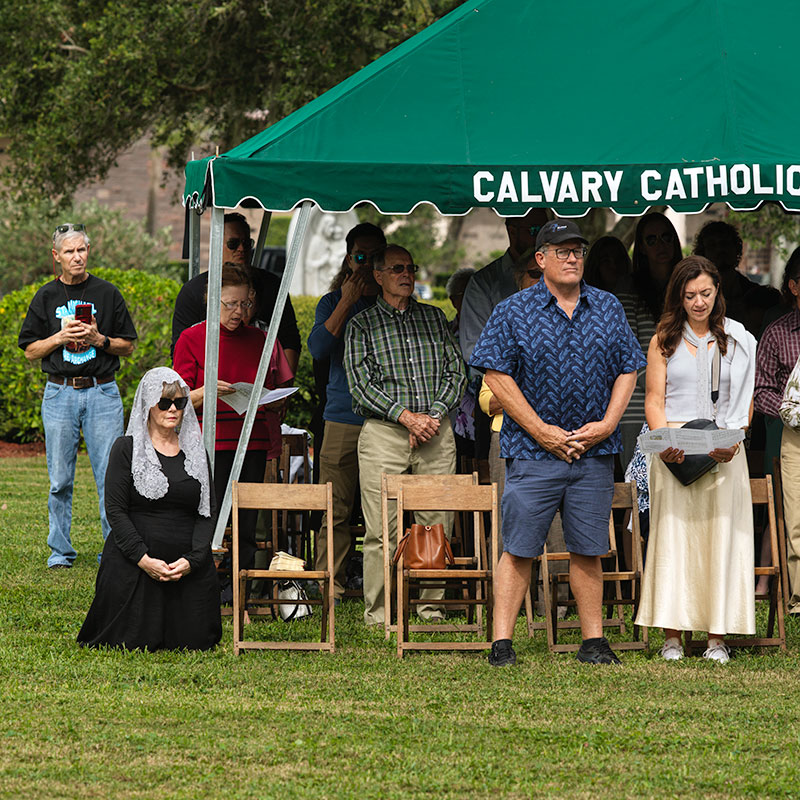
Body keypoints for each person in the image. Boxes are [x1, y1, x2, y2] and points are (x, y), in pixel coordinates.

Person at [471, 219, 645, 667]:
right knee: (519, 546)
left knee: (589, 547)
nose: (572, 258)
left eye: (578, 251)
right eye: (562, 251)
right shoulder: (513, 310)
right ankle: (501, 644)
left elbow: (630, 366)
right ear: (540, 258)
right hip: (532, 453)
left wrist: (608, 424)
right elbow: (494, 374)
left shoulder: (606, 307)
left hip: (592, 451)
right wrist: (540, 431)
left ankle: (592, 642)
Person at [635, 256, 757, 664]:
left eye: (705, 293)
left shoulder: (735, 338)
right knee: (674, 539)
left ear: (717, 292)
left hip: (725, 447)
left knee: (721, 539)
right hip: (675, 447)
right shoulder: (663, 338)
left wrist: (736, 439)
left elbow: (746, 401)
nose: (699, 302)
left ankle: (717, 639)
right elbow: (653, 399)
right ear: (678, 296)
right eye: (690, 296)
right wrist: (665, 441)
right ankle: (672, 637)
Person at [344, 244, 467, 626]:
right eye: (397, 269)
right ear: (378, 276)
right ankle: (380, 613)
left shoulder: (434, 318)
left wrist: (431, 416)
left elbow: (457, 373)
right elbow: (361, 387)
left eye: (411, 268)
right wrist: (407, 418)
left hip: (435, 429)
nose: (407, 274)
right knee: (382, 527)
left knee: (435, 524)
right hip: (385, 434)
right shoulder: (361, 325)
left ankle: (428, 609)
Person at [19, 222, 137, 569]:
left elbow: (128, 347)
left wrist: (99, 339)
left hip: (102, 392)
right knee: (60, 479)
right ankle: (60, 551)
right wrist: (59, 337)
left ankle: (113, 549)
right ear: (56, 257)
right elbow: (29, 350)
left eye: (82, 249)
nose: (77, 257)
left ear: (89, 252)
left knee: (110, 477)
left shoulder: (108, 293)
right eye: (69, 251)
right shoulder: (45, 296)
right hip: (60, 393)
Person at [77, 368, 221, 650]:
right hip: (135, 560)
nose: (172, 409)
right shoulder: (125, 449)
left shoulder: (195, 452)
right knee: (129, 638)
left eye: (179, 403)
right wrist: (144, 559)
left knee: (197, 640)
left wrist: (193, 560)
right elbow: (115, 511)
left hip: (185, 564)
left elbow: (207, 512)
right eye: (163, 403)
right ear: (148, 405)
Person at [173, 265, 294, 575]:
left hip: (250, 442)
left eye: (245, 304)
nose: (239, 312)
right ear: (213, 301)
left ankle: (240, 594)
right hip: (207, 443)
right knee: (206, 521)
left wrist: (272, 398)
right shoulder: (192, 338)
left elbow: (279, 390)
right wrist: (208, 391)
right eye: (231, 304)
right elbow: (177, 401)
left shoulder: (260, 339)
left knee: (246, 524)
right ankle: (203, 587)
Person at [307, 222, 386, 602]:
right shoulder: (331, 301)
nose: (367, 266)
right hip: (342, 416)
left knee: (384, 513)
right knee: (335, 510)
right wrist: (345, 300)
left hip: (387, 420)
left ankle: (383, 587)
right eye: (360, 257)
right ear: (348, 257)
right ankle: (330, 589)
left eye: (375, 259)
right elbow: (319, 349)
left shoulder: (394, 303)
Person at [171, 212, 301, 372]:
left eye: (247, 243)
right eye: (233, 243)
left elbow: (289, 339)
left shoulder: (272, 285)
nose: (241, 249)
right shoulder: (193, 291)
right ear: (217, 245)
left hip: (261, 381)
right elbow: (179, 352)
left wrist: (284, 386)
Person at [586, 236, 655, 469]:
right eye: (605, 261)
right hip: (597, 404)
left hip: (633, 404)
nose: (613, 266)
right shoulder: (584, 303)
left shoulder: (631, 293)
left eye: (618, 260)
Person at [757, 249, 800, 607]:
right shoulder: (778, 333)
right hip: (795, 438)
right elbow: (761, 391)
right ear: (794, 287)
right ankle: (799, 597)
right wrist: (789, 412)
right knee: (797, 520)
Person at [694, 220, 780, 339]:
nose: (720, 250)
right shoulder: (694, 298)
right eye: (712, 245)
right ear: (703, 253)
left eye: (725, 244)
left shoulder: (755, 294)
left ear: (736, 249)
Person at [631, 212, 683, 324]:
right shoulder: (629, 287)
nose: (660, 245)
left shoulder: (688, 282)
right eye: (651, 240)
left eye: (666, 237)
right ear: (642, 247)